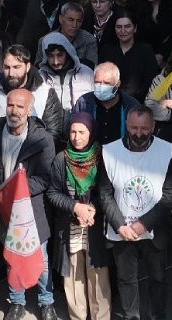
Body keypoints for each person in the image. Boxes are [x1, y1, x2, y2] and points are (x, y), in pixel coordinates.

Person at [0, 88, 57, 320]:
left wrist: (16, 193)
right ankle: (17, 301)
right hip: (3, 207)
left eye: (20, 107)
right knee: (12, 255)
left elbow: (45, 178)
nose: (14, 111)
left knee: (40, 258)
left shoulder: (42, 139)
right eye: (11, 105)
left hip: (30, 208)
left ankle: (46, 301)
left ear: (29, 110)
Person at [98, 106, 172, 320]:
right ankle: (130, 316)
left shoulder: (167, 150)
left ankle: (157, 316)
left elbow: (170, 194)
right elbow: (105, 193)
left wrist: (143, 224)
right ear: (126, 125)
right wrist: (120, 225)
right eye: (134, 127)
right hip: (121, 230)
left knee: (158, 278)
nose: (139, 133)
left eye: (144, 128)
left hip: (154, 229)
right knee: (126, 280)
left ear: (153, 126)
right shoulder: (109, 151)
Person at [47, 113, 112, 320]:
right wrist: (75, 206)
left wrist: (92, 208)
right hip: (70, 227)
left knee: (98, 276)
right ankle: (77, 316)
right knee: (74, 276)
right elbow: (53, 192)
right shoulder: (61, 159)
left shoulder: (103, 157)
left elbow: (110, 191)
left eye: (82, 132)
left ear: (91, 133)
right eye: (73, 132)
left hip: (95, 226)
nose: (76, 137)